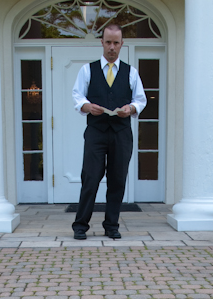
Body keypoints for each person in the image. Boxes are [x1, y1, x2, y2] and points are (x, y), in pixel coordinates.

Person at [71, 23, 147, 240]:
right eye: (108, 42)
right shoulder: (87, 70)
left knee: (117, 179)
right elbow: (78, 96)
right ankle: (80, 225)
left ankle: (111, 225)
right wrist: (87, 107)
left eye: (116, 43)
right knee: (91, 177)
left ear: (122, 44)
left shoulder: (131, 72)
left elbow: (140, 100)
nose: (112, 47)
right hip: (96, 132)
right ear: (102, 43)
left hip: (121, 133)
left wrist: (130, 109)